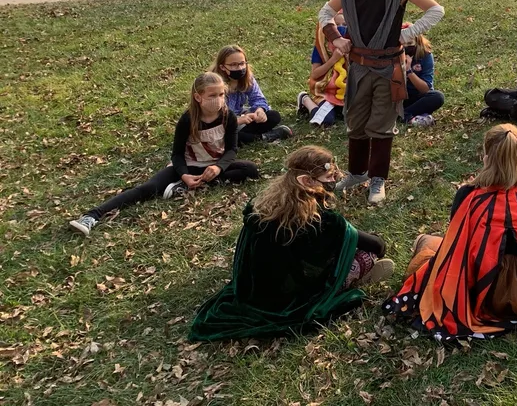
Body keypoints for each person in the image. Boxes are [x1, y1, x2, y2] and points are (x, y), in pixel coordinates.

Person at [382, 124, 517, 341]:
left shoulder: (468, 197)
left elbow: (456, 249)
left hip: (479, 297)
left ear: (486, 157)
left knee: (427, 243)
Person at [189, 146, 394, 341]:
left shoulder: (258, 206)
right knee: (366, 254)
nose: (334, 181)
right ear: (306, 181)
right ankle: (353, 279)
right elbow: (378, 246)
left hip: (252, 289)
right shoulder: (321, 221)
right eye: (329, 177)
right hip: (292, 299)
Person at [317, 0, 445, 204]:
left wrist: (406, 34)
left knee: (382, 124)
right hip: (360, 66)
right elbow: (325, 13)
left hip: (389, 68)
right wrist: (336, 38)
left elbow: (436, 10)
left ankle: (378, 179)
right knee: (356, 121)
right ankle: (357, 172)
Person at [68, 73, 259, 236]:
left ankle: (186, 186)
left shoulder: (229, 116)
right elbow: (176, 154)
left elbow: (231, 150)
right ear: (198, 97)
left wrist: (218, 167)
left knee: (250, 169)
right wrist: (184, 174)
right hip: (187, 166)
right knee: (147, 189)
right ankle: (92, 216)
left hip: (213, 166)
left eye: (221, 94)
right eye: (212, 95)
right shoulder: (187, 120)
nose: (218, 99)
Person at [211, 45, 293, 145]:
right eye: (233, 65)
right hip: (219, 126)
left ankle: (250, 136)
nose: (239, 68)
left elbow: (257, 97)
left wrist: (260, 110)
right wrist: (238, 120)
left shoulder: (247, 78)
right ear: (222, 66)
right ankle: (262, 137)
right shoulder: (213, 84)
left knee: (273, 116)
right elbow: (213, 119)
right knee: (227, 136)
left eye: (242, 63)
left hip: (241, 117)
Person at [297, 11, 348, 128]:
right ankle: (305, 100)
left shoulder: (351, 45)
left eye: (344, 25)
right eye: (336, 25)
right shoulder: (321, 46)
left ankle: (339, 109)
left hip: (347, 93)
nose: (340, 28)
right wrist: (333, 59)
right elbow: (315, 74)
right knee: (325, 121)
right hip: (326, 91)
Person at [402, 33, 444, 127]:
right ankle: (409, 117)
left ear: (417, 42)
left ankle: (404, 115)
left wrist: (409, 71)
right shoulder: (391, 56)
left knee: (438, 97)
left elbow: (425, 89)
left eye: (409, 43)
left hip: (417, 98)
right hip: (397, 98)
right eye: (402, 44)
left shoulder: (426, 56)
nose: (406, 46)